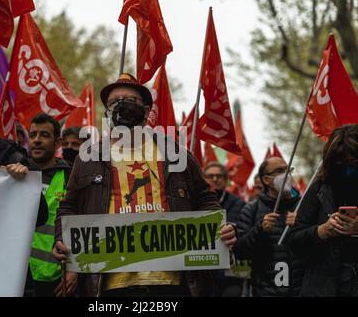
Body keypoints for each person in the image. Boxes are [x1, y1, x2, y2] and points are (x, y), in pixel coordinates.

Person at [53, 73, 237, 297]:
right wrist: (62, 238)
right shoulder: (89, 157)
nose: (121, 106)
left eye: (129, 101)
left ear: (148, 110)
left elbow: (205, 199)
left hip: (172, 281)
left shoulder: (176, 154)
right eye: (114, 102)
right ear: (108, 113)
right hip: (111, 282)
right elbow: (68, 206)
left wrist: (220, 226)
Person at [289, 125, 358, 297]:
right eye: (341, 163)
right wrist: (321, 231)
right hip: (323, 286)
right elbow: (294, 241)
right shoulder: (320, 188)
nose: (348, 170)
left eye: (354, 163)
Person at [233, 157, 299, 297]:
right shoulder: (252, 209)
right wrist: (260, 230)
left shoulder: (304, 205)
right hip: (266, 291)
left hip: (301, 289)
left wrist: (302, 225)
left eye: (288, 169)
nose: (286, 174)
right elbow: (239, 251)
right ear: (266, 180)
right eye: (280, 171)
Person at [26, 113, 71, 297]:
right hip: (19, 275)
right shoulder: (17, 173)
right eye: (32, 135)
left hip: (57, 279)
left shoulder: (70, 177)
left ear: (58, 142)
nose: (36, 140)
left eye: (44, 135)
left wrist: (73, 271)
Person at [204, 162, 245, 296]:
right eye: (210, 176)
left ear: (226, 180)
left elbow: (241, 228)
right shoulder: (193, 203)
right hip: (203, 272)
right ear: (203, 179)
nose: (214, 179)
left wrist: (233, 228)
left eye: (219, 176)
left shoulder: (238, 203)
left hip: (230, 274)